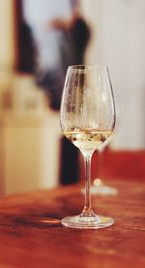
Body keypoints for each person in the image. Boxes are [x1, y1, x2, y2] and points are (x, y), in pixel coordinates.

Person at [37, 13, 91, 185]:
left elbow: (51, 74)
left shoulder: (62, 40)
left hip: (63, 103)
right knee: (70, 152)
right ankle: (71, 188)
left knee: (67, 150)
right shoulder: (78, 49)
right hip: (74, 103)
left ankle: (68, 189)